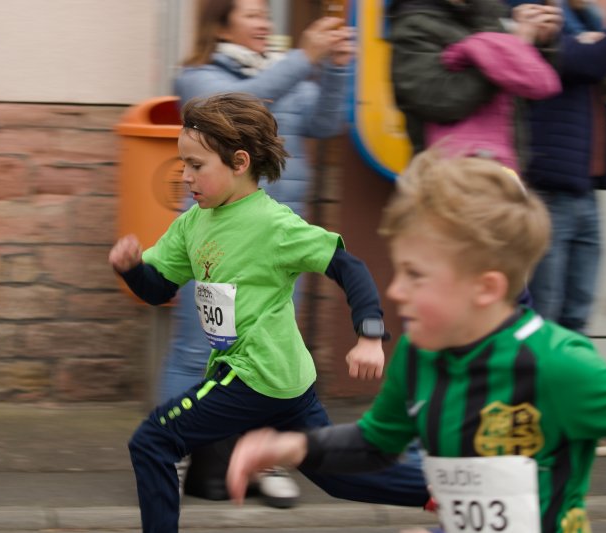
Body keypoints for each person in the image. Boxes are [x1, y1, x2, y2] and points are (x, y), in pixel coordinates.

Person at [226, 151, 606, 533]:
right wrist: (297, 448)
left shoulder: (559, 366)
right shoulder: (419, 352)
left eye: (416, 275)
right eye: (398, 270)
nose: (395, 290)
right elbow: (376, 443)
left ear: (485, 287)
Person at [110, 92, 430, 533]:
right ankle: (445, 489)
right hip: (284, 379)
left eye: (197, 166)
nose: (185, 177)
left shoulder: (275, 225)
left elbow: (346, 265)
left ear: (240, 163)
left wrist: (370, 334)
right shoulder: (191, 223)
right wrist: (131, 270)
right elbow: (159, 287)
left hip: (253, 373)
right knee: (338, 478)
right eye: (183, 164)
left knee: (154, 441)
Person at [164, 0, 357, 506]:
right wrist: (302, 58)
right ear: (221, 22)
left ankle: (262, 457)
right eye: (251, 13)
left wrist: (336, 68)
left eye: (266, 14)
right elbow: (229, 112)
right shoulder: (197, 78)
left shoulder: (282, 74)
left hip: (275, 244)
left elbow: (323, 121)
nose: (263, 22)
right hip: (219, 238)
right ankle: (177, 449)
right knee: (198, 349)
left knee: (270, 358)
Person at [509, 0, 606, 335]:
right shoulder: (531, 11)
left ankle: (568, 387)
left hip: (584, 185)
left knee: (578, 314)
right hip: (549, 187)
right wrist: (594, 41)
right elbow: (586, 62)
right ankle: (534, 386)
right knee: (545, 312)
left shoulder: (581, 16)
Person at [388, 0, 562, 167]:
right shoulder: (415, 22)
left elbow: (526, 93)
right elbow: (438, 101)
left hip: (502, 166)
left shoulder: (491, 13)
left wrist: (541, 42)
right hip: (448, 176)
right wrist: (511, 53)